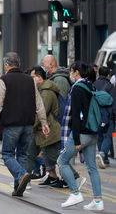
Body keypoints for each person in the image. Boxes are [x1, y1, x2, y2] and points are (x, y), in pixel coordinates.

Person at [0, 52, 49, 197]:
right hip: (28, 125)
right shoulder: (30, 80)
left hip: (12, 125)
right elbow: (39, 103)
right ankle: (19, 188)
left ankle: (21, 174)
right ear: (19, 64)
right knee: (22, 155)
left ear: (6, 65)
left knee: (7, 154)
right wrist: (43, 122)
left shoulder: (4, 80)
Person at [57, 61, 103, 210]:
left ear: (76, 72)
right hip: (93, 132)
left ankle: (75, 193)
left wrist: (76, 139)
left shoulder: (77, 88)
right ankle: (98, 201)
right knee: (92, 167)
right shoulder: (91, 86)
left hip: (81, 133)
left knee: (62, 161)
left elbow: (75, 115)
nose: (70, 73)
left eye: (71, 70)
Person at [26, 66, 62, 187]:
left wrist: (32, 126)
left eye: (32, 77)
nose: (31, 80)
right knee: (35, 154)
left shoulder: (46, 91)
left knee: (54, 157)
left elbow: (42, 111)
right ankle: (52, 177)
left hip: (48, 129)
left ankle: (75, 177)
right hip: (42, 129)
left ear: (39, 78)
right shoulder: (41, 90)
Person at [93, 66, 114, 169]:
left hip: (97, 114)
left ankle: (104, 158)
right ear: (108, 75)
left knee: (100, 135)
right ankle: (102, 153)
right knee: (108, 135)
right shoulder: (110, 86)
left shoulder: (93, 84)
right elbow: (114, 102)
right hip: (108, 114)